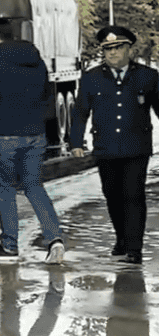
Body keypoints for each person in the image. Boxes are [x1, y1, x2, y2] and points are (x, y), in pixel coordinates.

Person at [0, 17, 65, 265]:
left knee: (6, 189)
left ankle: (9, 246)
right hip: (35, 133)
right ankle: (54, 238)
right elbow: (47, 98)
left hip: (4, 133)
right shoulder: (37, 61)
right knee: (34, 186)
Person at [69, 25, 159, 264]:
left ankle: (134, 248)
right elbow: (80, 112)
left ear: (129, 49)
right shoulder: (92, 77)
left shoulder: (148, 76)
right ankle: (121, 238)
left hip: (136, 146)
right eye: (108, 49)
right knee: (112, 195)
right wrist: (76, 141)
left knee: (134, 195)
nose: (112, 54)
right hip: (105, 146)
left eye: (118, 48)